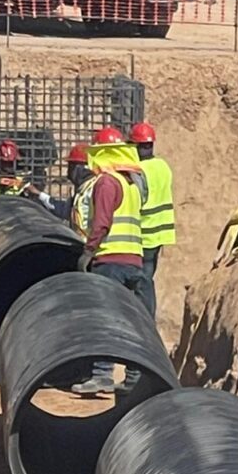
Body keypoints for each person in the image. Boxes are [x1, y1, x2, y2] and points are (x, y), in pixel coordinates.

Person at [72, 126, 146, 397]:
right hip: (134, 260)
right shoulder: (131, 184)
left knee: (104, 317)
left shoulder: (107, 182)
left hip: (110, 259)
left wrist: (89, 251)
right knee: (128, 319)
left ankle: (102, 374)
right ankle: (134, 375)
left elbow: (102, 221)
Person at [130, 122, 176, 318]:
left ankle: (141, 317)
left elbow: (138, 197)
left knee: (140, 281)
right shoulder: (163, 166)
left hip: (144, 232)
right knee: (148, 278)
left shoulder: (138, 169)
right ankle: (148, 316)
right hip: (160, 232)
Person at [29, 143, 91, 222]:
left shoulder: (90, 189)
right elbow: (64, 209)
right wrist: (39, 194)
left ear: (79, 168)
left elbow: (64, 210)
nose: (68, 171)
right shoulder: (84, 188)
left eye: (70, 166)